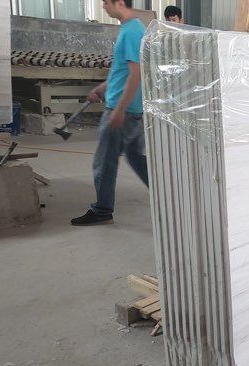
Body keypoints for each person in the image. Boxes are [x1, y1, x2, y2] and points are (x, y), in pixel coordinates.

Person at [71, 0, 147, 226]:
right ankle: (168, 196)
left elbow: (136, 74)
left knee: (104, 162)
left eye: (105, 2)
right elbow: (122, 71)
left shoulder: (132, 31)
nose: (103, 6)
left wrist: (120, 109)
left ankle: (102, 211)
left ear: (120, 3)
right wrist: (103, 88)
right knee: (136, 158)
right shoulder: (131, 28)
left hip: (122, 111)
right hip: (130, 110)